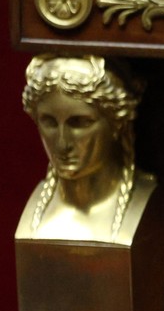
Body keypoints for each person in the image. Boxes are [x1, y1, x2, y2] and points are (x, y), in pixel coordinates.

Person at [19, 54, 152, 244]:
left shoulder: (144, 201)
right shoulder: (35, 212)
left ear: (117, 123)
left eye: (79, 123)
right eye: (49, 122)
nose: (63, 143)